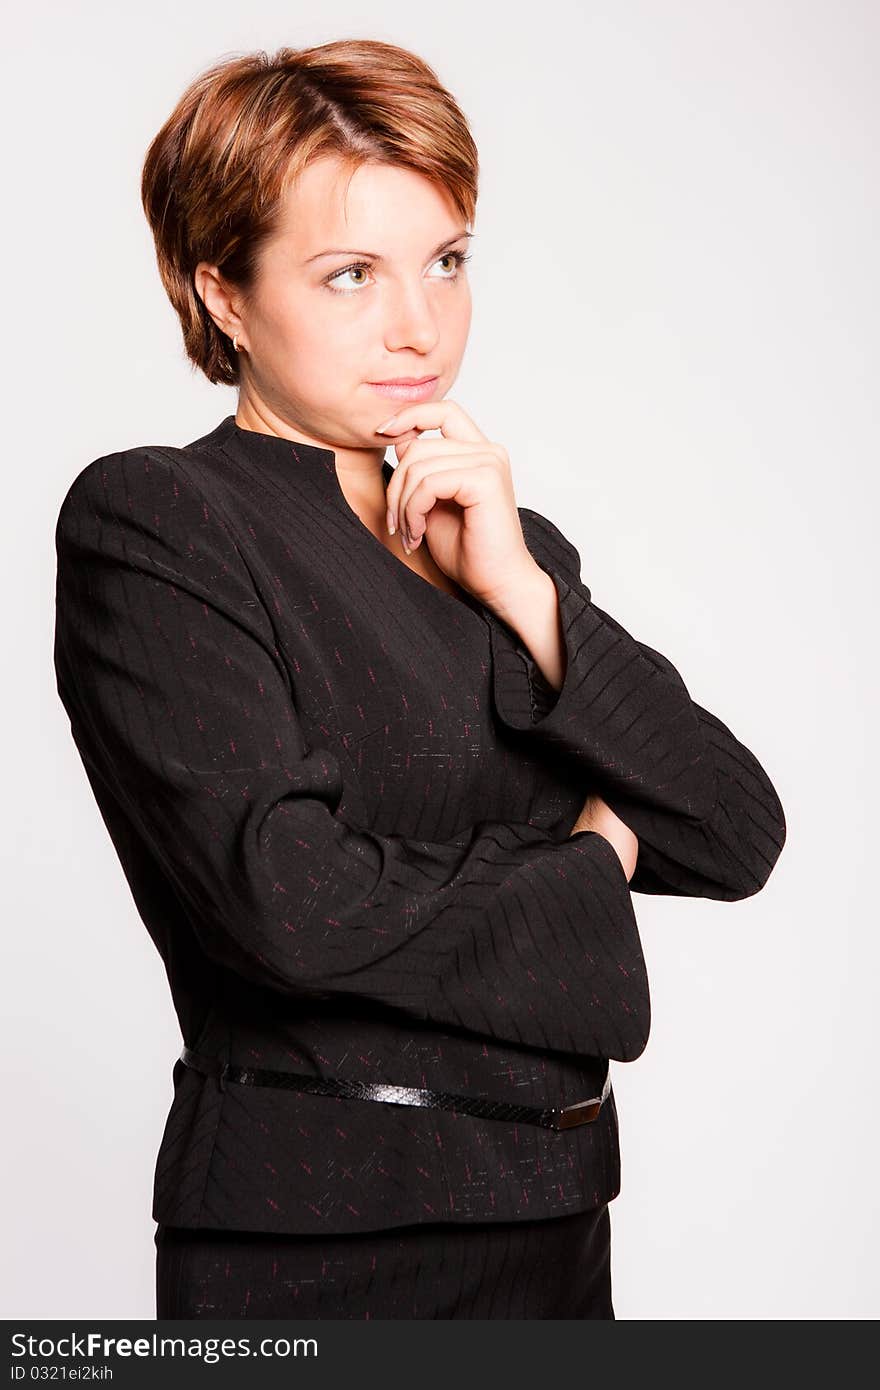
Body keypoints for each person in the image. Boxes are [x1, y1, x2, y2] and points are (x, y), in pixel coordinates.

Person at [52, 39, 786, 1320]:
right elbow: (289, 904)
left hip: (557, 1211)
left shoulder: (494, 533)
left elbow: (732, 830)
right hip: (327, 1236)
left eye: (446, 261)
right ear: (222, 293)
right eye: (350, 276)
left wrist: (528, 597)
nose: (420, 326)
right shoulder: (164, 518)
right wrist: (587, 864)